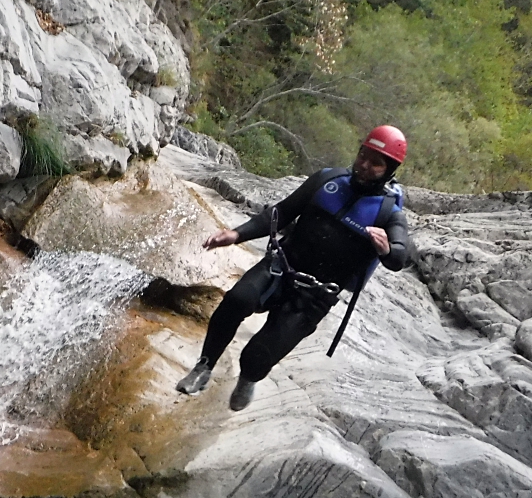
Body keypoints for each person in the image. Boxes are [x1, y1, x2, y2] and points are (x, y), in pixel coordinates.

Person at [176, 125, 412, 410]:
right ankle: (204, 366)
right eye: (363, 155)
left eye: (375, 163)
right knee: (237, 301)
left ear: (389, 170)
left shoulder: (389, 214)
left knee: (255, 357)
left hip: (315, 296)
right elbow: (282, 212)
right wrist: (237, 234)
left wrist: (386, 248)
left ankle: (248, 379)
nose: (364, 165)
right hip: (281, 267)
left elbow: (398, 257)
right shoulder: (328, 180)